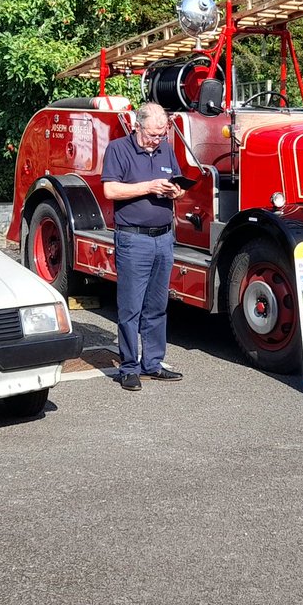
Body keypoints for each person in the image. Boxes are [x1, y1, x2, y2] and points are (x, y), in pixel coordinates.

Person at [101, 102, 186, 391]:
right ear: (137, 126)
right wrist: (149, 187)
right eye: (152, 135)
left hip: (163, 237)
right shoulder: (118, 150)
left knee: (157, 305)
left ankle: (152, 363)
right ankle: (128, 367)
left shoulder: (165, 148)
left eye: (161, 135)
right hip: (133, 238)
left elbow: (177, 182)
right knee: (130, 307)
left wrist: (177, 189)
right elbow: (110, 189)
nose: (157, 140)